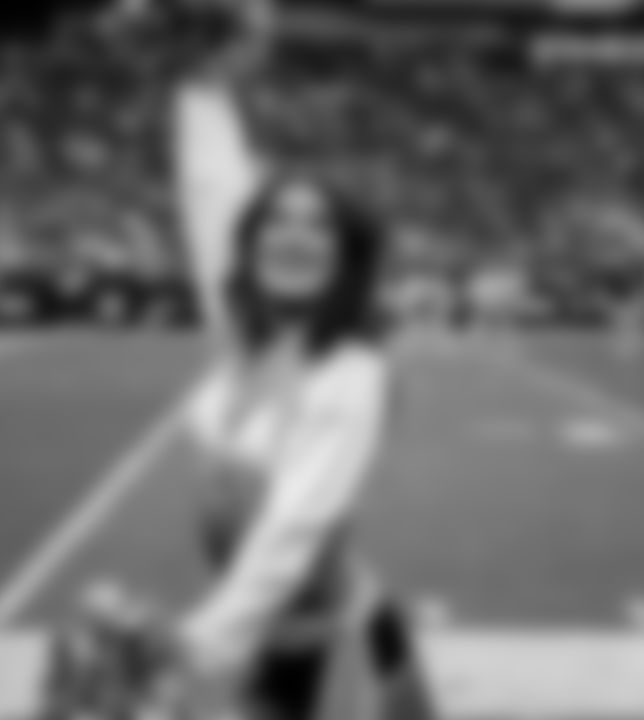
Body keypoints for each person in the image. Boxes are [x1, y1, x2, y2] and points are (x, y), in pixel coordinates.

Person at [157, 3, 419, 719]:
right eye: (278, 220)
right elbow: (215, 201)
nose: (294, 236)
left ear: (345, 260)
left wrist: (205, 641)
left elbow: (293, 528)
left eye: (319, 228)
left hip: (331, 655)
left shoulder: (352, 373)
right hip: (267, 640)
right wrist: (204, 87)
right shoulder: (246, 336)